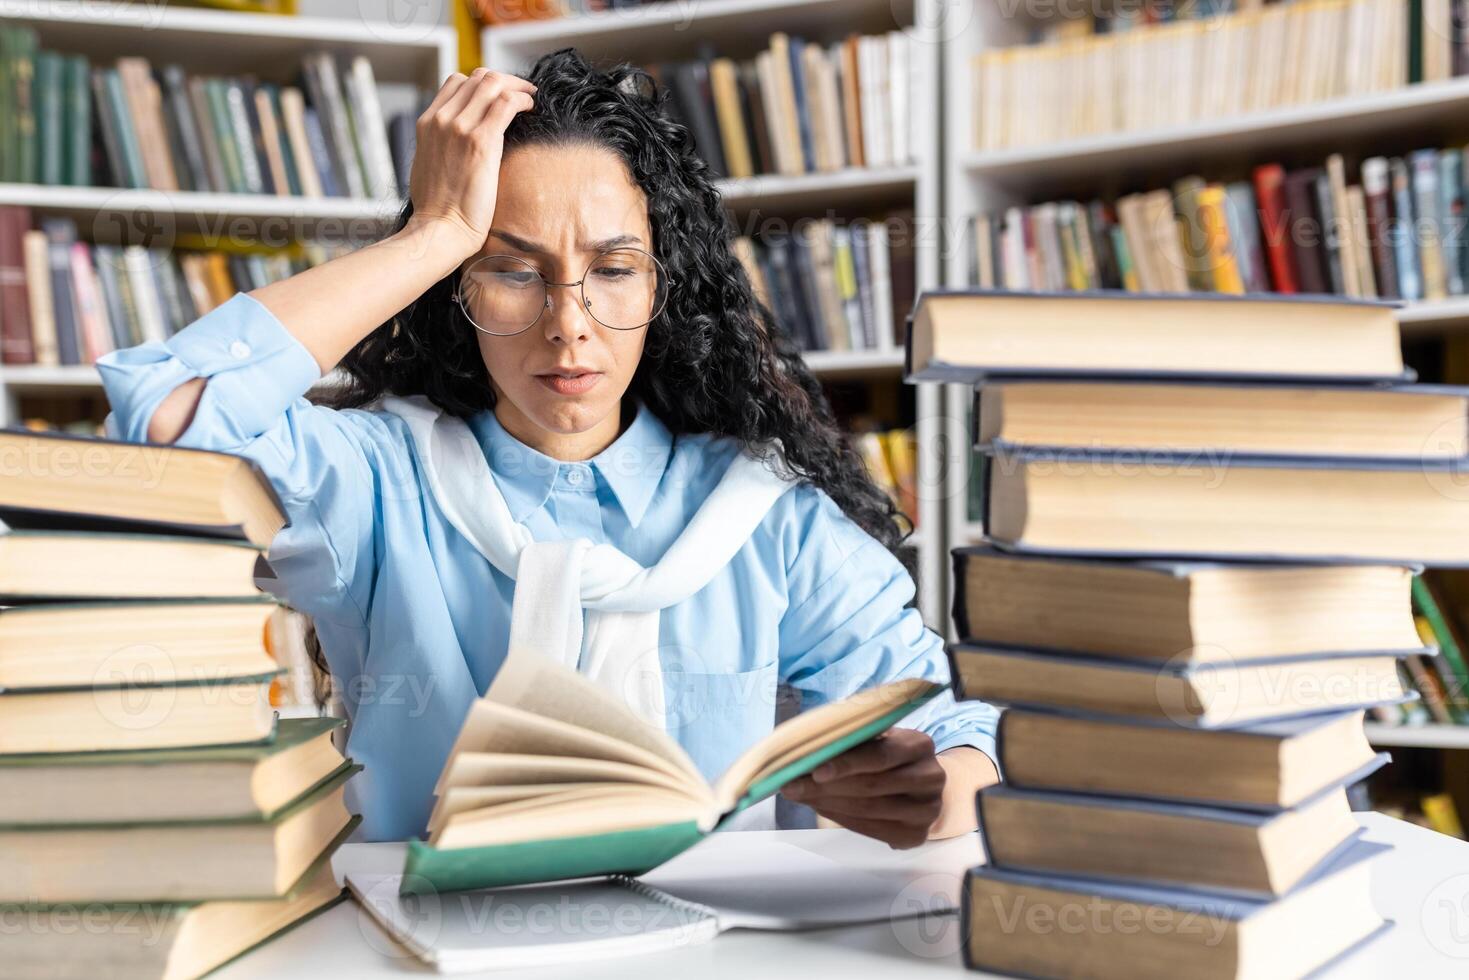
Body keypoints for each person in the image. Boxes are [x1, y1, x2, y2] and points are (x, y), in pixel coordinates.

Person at [98, 49, 1000, 846]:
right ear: (455, 292)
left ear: (663, 285)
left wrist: (939, 790)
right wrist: (434, 232)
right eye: (511, 271)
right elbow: (166, 426)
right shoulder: (377, 484)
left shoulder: (764, 518)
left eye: (612, 271)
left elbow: (966, 730)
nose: (569, 328)